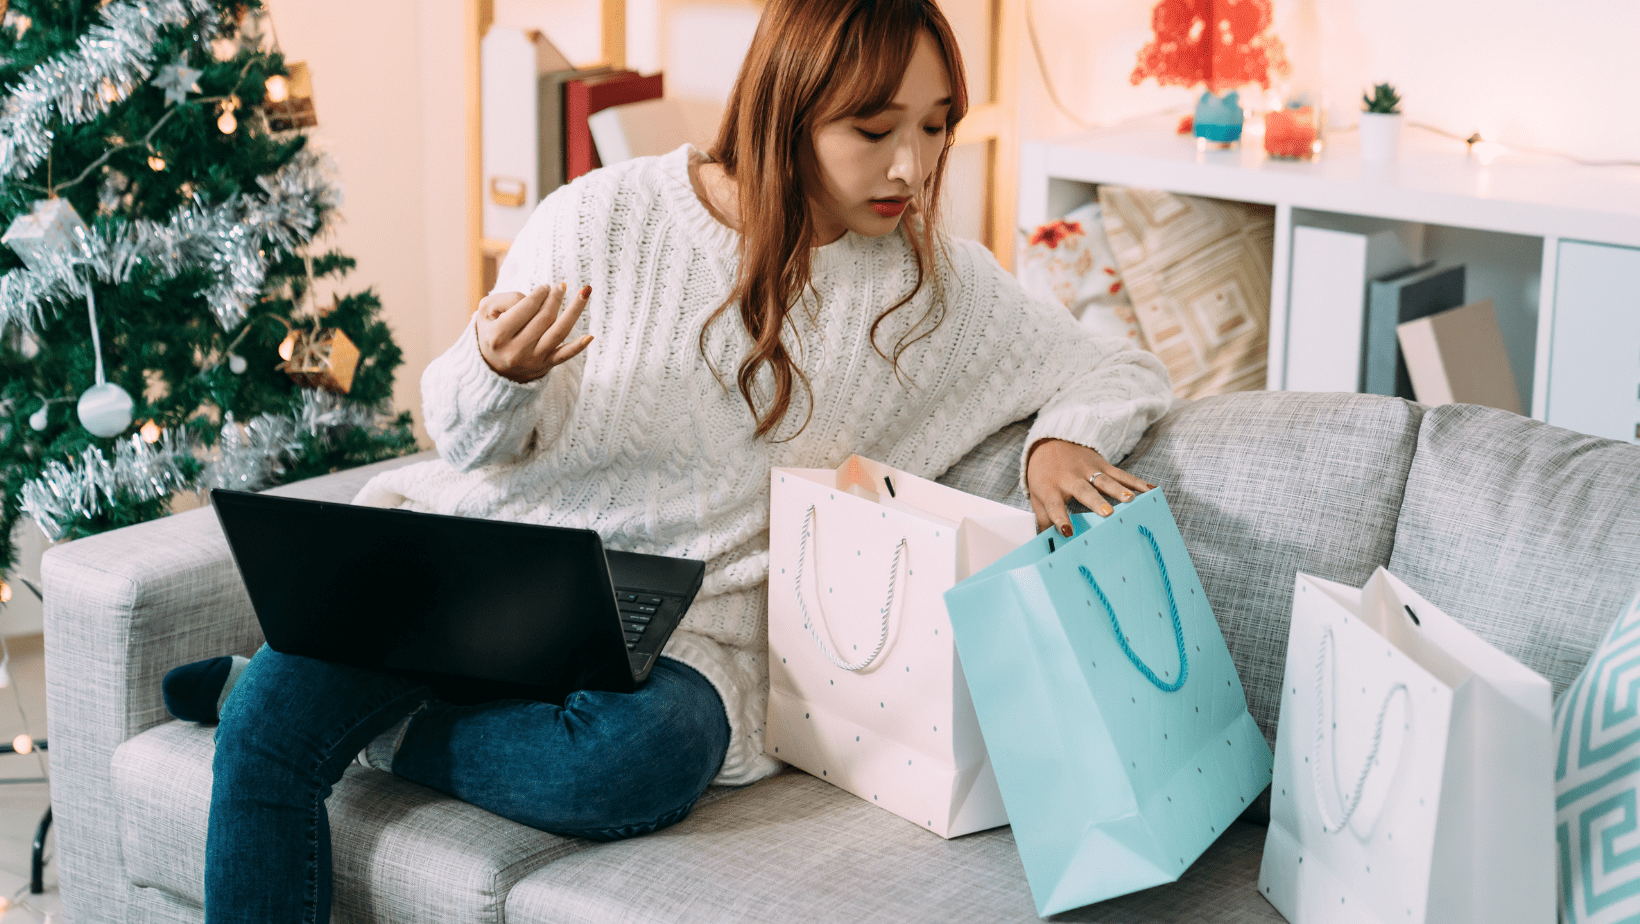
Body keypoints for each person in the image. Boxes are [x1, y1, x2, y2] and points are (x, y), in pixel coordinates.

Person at [162, 0, 1171, 919]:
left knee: (639, 762)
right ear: (786, 111)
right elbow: (465, 440)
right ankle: (277, 705)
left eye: (935, 123)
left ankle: (369, 730)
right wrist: (492, 371)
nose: (910, 167)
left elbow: (1121, 363)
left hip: (683, 632)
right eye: (873, 131)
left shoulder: (932, 290)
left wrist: (1058, 442)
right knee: (265, 741)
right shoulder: (604, 218)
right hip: (478, 565)